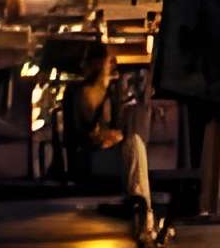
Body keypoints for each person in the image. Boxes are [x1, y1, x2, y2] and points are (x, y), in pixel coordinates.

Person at [63, 42, 158, 245]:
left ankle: (144, 215)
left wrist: (115, 134)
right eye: (107, 60)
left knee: (134, 143)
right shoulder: (83, 92)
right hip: (89, 156)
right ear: (97, 63)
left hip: (108, 152)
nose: (111, 64)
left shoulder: (111, 91)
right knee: (134, 144)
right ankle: (146, 218)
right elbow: (88, 132)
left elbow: (116, 128)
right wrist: (108, 135)